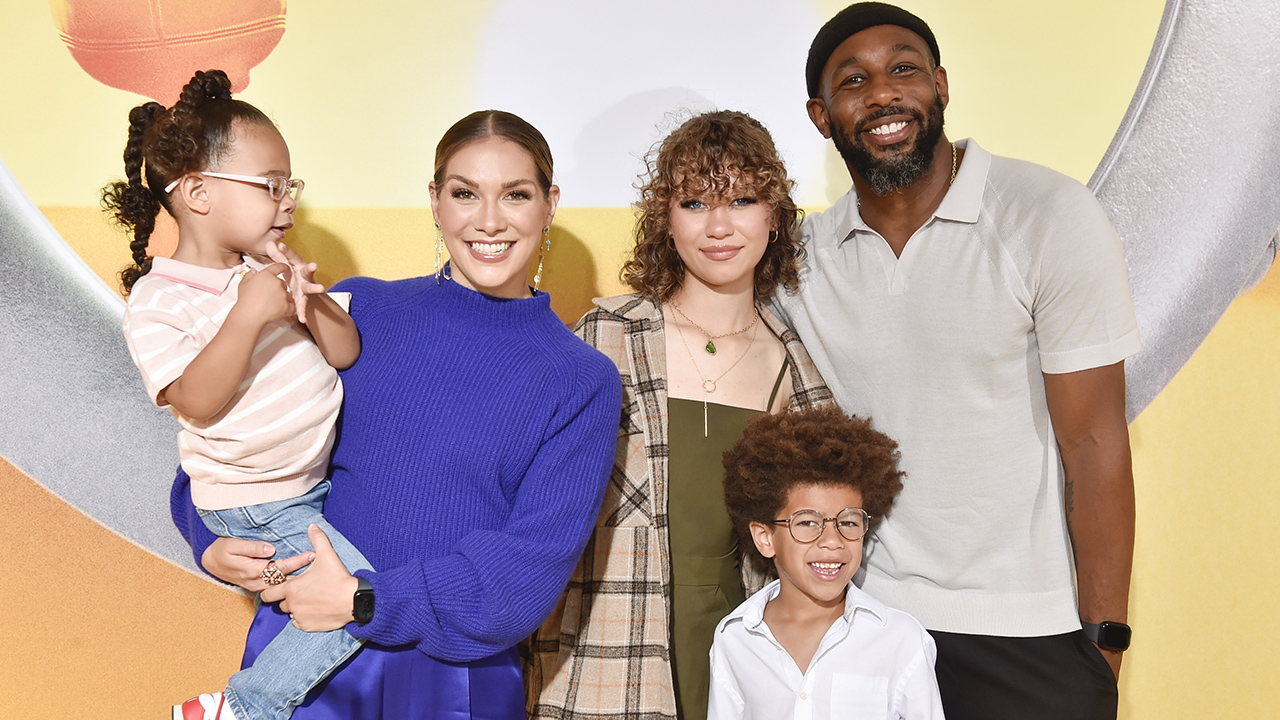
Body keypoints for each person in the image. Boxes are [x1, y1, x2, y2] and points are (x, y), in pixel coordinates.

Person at [171, 109, 623, 719]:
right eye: (465, 194)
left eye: (515, 195)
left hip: (454, 680)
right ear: (435, 201)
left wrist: (364, 600)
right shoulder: (359, 313)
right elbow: (236, 437)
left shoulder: (579, 379)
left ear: (549, 203)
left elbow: (525, 574)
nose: (489, 221)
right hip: (303, 660)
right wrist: (208, 541)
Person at [775, 4, 1143, 719]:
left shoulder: (1048, 215)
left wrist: (1103, 641)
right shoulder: (800, 261)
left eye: (904, 69)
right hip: (865, 624)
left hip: (1028, 632)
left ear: (941, 85)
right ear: (821, 116)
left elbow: (1096, 443)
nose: (884, 92)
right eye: (855, 79)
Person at [525, 110, 833, 720]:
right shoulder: (605, 337)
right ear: (666, 219)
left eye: (742, 199)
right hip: (605, 647)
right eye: (694, 202)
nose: (719, 226)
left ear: (774, 215)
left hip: (740, 649)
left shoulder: (796, 369)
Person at [106, 69, 371, 720]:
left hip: (298, 490)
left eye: (291, 186)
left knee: (335, 598)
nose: (288, 203)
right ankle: (242, 708)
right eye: (270, 186)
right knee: (353, 598)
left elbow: (346, 353)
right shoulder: (160, 300)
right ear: (197, 192)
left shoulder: (268, 271)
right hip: (253, 505)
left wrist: (310, 303)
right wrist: (248, 315)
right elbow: (197, 400)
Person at [711, 406, 943, 719]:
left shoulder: (901, 639)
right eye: (807, 522)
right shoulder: (735, 639)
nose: (832, 540)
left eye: (848, 522)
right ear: (765, 538)